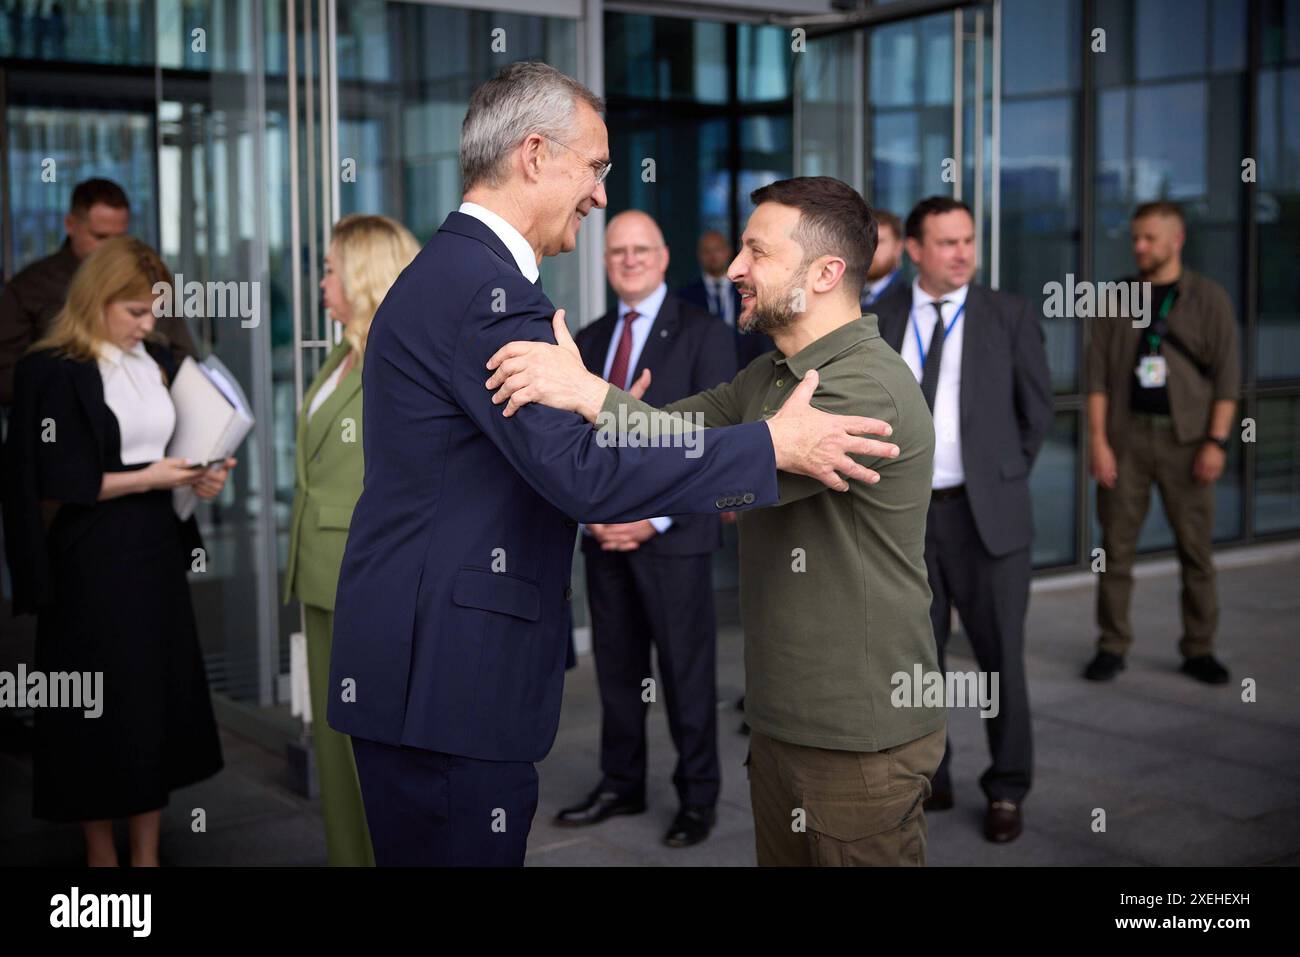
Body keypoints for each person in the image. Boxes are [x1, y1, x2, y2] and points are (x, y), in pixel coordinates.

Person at [326, 64, 897, 868]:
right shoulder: (492, 297)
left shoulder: (447, 276)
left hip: (417, 667)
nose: (600, 193)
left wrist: (593, 396)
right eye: (594, 166)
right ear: (533, 155)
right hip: (449, 681)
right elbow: (586, 474)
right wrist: (769, 446)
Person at [487, 175, 948, 867]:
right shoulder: (770, 375)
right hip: (783, 724)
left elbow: (709, 468)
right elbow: (670, 433)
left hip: (859, 738)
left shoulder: (865, 386)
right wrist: (597, 400)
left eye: (756, 251)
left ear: (826, 273)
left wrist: (587, 394)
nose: (733, 267)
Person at [1, 236, 233, 866]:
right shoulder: (47, 370)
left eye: (153, 310)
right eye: (134, 311)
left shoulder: (156, 359)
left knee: (148, 704)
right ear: (97, 300)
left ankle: (148, 855)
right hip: (89, 561)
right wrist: (150, 478)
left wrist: (199, 475)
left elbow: (179, 447)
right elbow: (49, 481)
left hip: (156, 551)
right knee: (94, 715)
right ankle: (102, 858)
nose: (148, 324)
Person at [553, 210, 736, 847]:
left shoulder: (706, 333)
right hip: (604, 538)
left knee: (687, 674)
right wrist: (597, 512)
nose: (629, 260)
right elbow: (574, 439)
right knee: (617, 670)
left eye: (641, 249)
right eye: (617, 251)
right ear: (606, 262)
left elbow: (712, 445)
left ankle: (697, 798)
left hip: (676, 539)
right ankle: (621, 783)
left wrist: (651, 517)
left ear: (663, 257)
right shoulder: (590, 337)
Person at [874, 196, 1052, 843]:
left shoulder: (1009, 314)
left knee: (1000, 658)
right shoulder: (882, 314)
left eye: (968, 240)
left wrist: (997, 478)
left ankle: (1007, 787)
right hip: (906, 520)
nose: (962, 254)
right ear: (914, 250)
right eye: (947, 242)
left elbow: (1036, 415)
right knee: (919, 659)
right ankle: (931, 773)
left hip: (987, 523)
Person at [283, 214, 419, 866]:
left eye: (332, 268)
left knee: (371, 749)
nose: (321, 281)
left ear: (364, 277)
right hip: (318, 572)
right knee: (336, 750)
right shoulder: (342, 353)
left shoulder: (395, 363)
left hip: (361, 575)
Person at [1084, 201, 1239, 686]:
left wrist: (1216, 442)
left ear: (1177, 240)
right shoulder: (1116, 298)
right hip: (1126, 439)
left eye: (1149, 238)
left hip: (1187, 441)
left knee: (1195, 552)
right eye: (1135, 238)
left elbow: (1228, 381)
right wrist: (1099, 444)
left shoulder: (1209, 298)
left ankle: (1199, 647)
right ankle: (1112, 644)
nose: (1139, 247)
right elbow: (1097, 380)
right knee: (1116, 550)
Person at [0, 179, 196, 407]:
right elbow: (5, 375)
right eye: (100, 237)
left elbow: (183, 359)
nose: (111, 249)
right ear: (70, 225)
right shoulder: (33, 286)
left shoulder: (148, 280)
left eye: (119, 238)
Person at [678, 229, 773, 366]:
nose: (713, 255)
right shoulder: (685, 296)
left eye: (717, 249)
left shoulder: (751, 291)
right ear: (699, 255)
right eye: (707, 251)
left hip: (747, 366)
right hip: (703, 367)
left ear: (728, 251)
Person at [861, 209, 903, 308]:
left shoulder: (908, 302)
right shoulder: (845, 294)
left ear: (898, 248)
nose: (870, 248)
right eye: (864, 241)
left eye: (879, 242)